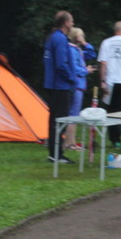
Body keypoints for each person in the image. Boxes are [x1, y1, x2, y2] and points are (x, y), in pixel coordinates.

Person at [44, 10, 77, 164]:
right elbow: (61, 64)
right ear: (65, 23)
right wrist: (72, 78)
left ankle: (54, 153)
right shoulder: (60, 39)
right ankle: (57, 154)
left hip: (52, 84)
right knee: (60, 121)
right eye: (71, 21)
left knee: (54, 120)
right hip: (60, 86)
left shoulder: (52, 37)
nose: (73, 24)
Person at [63, 27, 96, 150]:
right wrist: (85, 70)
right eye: (81, 36)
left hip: (80, 86)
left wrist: (85, 44)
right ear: (76, 37)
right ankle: (69, 143)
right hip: (76, 85)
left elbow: (92, 54)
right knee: (73, 115)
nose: (83, 38)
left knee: (74, 114)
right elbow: (74, 68)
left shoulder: (78, 50)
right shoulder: (72, 50)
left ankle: (71, 141)